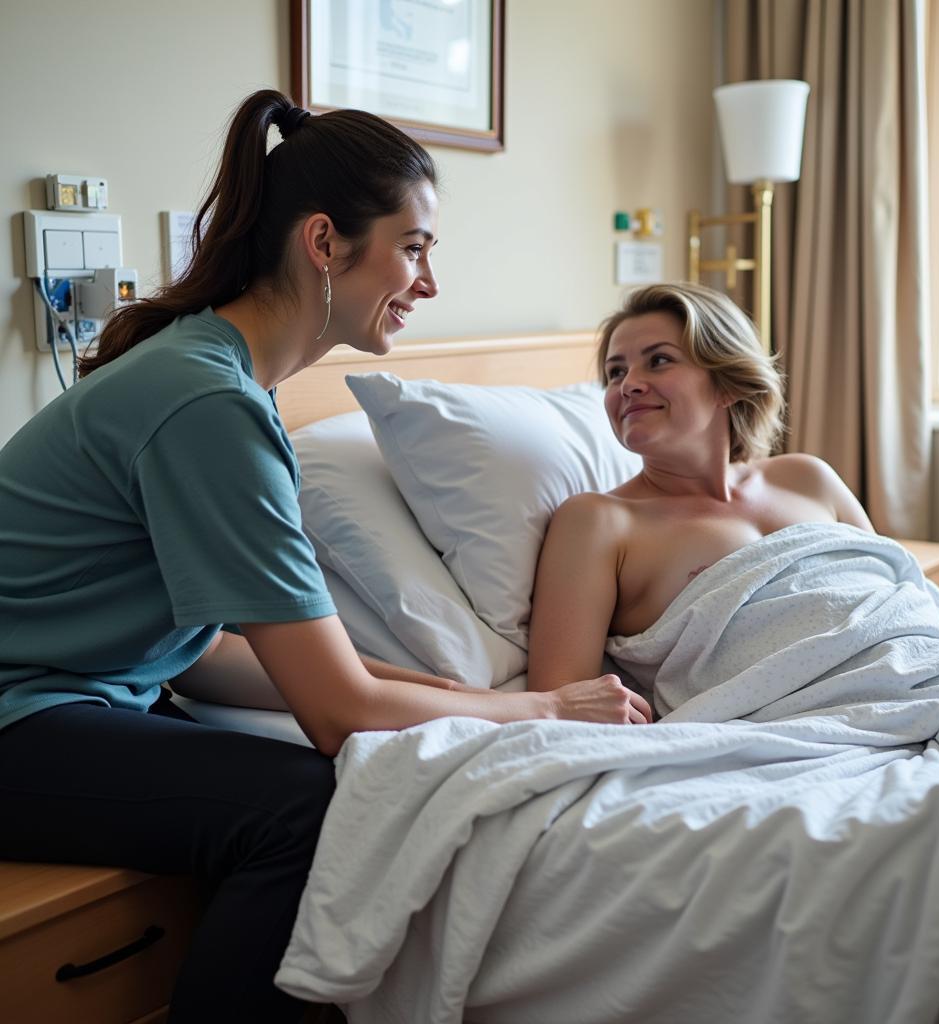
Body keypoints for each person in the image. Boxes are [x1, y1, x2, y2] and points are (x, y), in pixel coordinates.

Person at [0, 90, 650, 1024]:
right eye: (415, 246)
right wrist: (543, 709)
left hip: (72, 697)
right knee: (307, 805)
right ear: (324, 243)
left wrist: (493, 704)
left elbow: (224, 651)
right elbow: (340, 712)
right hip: (18, 722)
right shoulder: (206, 403)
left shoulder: (222, 381)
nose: (429, 282)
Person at [527, 281, 874, 696]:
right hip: (791, 723)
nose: (628, 384)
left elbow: (896, 593)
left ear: (727, 383)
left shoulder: (808, 478)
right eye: (615, 372)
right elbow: (561, 697)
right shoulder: (599, 522)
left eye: (658, 361)